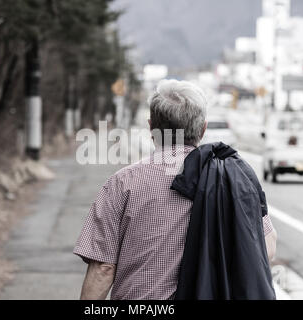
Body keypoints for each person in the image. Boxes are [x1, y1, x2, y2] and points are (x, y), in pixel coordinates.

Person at [73, 79, 277, 300]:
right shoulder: (228, 180)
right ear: (203, 128)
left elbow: (103, 268)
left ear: (151, 126)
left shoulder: (122, 184)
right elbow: (267, 247)